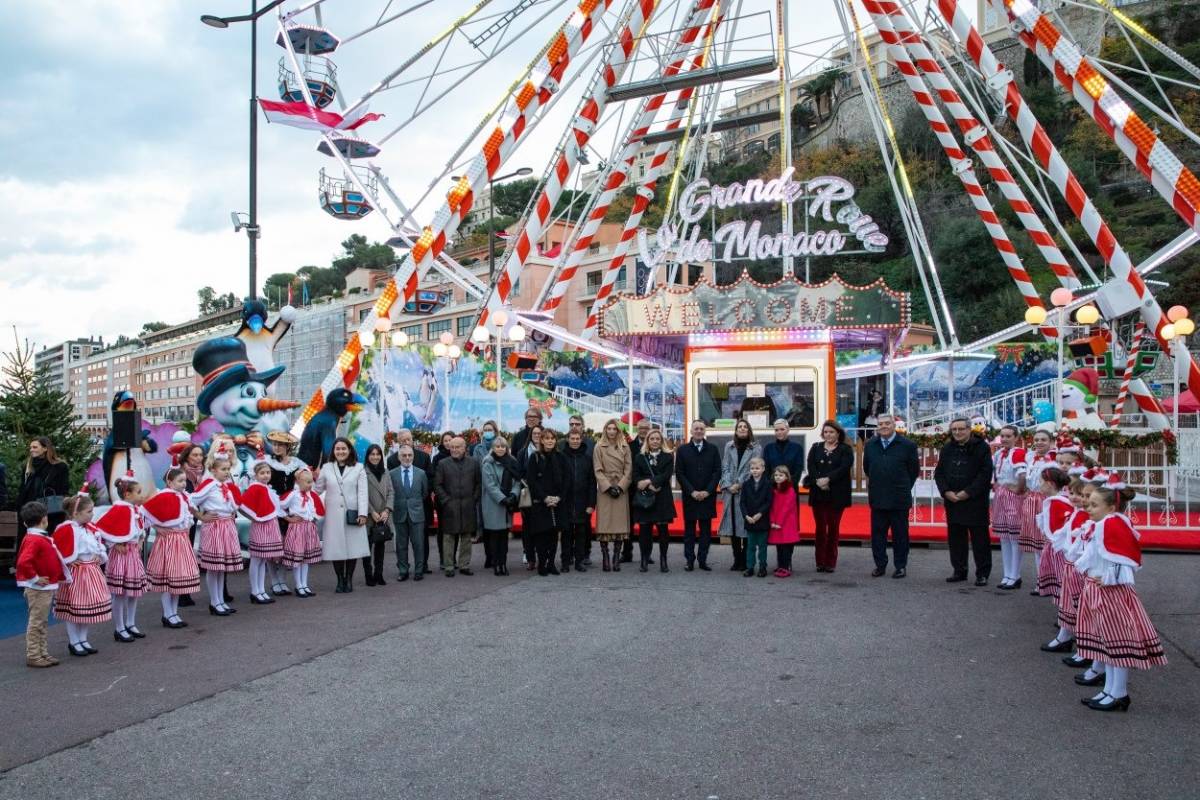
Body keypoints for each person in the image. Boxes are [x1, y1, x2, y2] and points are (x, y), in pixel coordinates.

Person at [1073, 478, 1167, 711]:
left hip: (1112, 594)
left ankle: (1119, 693)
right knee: (1108, 644)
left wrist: (1107, 579)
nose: (1088, 508)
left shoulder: (1113, 525)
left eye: (1094, 505)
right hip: (1101, 591)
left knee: (1117, 643)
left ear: (1111, 508)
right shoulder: (1102, 525)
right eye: (1089, 503)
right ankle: (1110, 690)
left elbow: (1124, 560)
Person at [933, 418, 993, 586]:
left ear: (969, 430)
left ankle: (982, 573)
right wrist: (946, 491)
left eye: (961, 429)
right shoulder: (947, 448)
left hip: (975, 501)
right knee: (956, 539)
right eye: (954, 430)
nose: (958, 432)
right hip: (953, 500)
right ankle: (959, 570)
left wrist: (968, 492)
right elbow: (939, 473)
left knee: (980, 540)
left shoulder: (982, 447)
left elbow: (985, 473)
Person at [1043, 476, 1097, 662]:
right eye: (1073, 493)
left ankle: (1085, 649)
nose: (1076, 498)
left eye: (1082, 495)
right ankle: (1065, 637)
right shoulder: (1077, 512)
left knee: (1082, 609)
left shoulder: (1088, 517)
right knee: (1069, 604)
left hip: (1080, 567)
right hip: (1070, 564)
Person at [52, 490, 111, 657]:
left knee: (87, 609)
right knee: (74, 609)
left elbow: (98, 547)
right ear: (76, 513)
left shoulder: (90, 529)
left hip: (91, 571)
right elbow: (59, 551)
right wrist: (69, 561)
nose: (92, 514)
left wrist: (98, 556)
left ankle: (83, 639)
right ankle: (74, 641)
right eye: (89, 511)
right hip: (76, 575)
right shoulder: (65, 529)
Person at [862, 413, 919, 579]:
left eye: (887, 423)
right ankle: (880, 565)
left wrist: (903, 486)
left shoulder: (907, 445)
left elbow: (913, 471)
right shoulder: (871, 445)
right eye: (880, 424)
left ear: (894, 425)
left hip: (899, 498)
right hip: (878, 497)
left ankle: (900, 566)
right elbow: (867, 468)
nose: (884, 426)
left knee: (900, 535)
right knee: (877, 535)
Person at [141, 469, 201, 628]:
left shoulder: (184, 497)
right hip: (168, 542)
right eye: (180, 481)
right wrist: (156, 526)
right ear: (169, 482)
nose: (183, 484)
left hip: (181, 541)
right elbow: (144, 511)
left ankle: (174, 613)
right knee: (168, 580)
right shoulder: (164, 496)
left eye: (184, 481)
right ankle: (168, 614)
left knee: (177, 581)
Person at [96, 475, 148, 642]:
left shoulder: (135, 510)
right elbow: (102, 528)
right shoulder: (119, 510)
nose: (142, 495)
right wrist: (113, 542)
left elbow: (140, 529)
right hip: (121, 556)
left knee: (133, 592)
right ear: (127, 494)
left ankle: (131, 623)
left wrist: (140, 539)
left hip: (133, 555)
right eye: (138, 492)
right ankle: (119, 628)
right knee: (120, 593)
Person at [191, 447, 243, 616]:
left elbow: (231, 504)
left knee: (222, 567)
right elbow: (191, 500)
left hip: (226, 526)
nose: (227, 472)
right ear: (213, 470)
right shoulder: (210, 485)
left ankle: (220, 600)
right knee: (214, 567)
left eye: (228, 469)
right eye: (223, 469)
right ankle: (214, 602)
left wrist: (231, 510)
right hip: (214, 527)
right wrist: (200, 515)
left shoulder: (225, 486)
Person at [315, 437, 369, 593]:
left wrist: (363, 513)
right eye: (337, 449)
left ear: (350, 450)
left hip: (352, 514)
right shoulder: (326, 467)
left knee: (353, 548)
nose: (340, 451)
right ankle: (340, 580)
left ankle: (349, 580)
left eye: (343, 448)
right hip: (333, 515)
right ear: (333, 451)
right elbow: (317, 490)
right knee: (336, 549)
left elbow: (363, 492)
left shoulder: (359, 468)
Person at [15, 501, 64, 668]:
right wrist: (35, 578)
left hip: (43, 588)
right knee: (37, 622)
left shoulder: (35, 537)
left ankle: (42, 652)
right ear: (44, 519)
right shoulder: (35, 539)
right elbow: (23, 562)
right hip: (39, 588)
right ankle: (34, 654)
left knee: (41, 621)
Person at [804, 420, 854, 573]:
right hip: (818, 493)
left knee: (833, 528)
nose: (828, 435)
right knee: (820, 529)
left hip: (836, 495)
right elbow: (811, 465)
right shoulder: (816, 447)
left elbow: (844, 467)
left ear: (838, 433)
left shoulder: (845, 449)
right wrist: (819, 481)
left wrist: (828, 479)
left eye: (831, 432)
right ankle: (820, 562)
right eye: (826, 432)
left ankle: (830, 562)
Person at [675, 420, 721, 571]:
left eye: (701, 429)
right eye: (696, 429)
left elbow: (717, 472)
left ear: (705, 431)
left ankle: (703, 560)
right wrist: (692, 491)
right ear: (691, 431)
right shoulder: (682, 450)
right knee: (689, 531)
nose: (699, 431)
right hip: (690, 497)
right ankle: (689, 560)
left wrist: (708, 491)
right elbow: (680, 473)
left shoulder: (713, 449)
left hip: (708, 496)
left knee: (706, 531)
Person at [387, 429, 435, 575]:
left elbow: (426, 489)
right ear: (398, 443)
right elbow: (391, 488)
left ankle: (421, 568)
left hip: (419, 509)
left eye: (408, 439)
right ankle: (403, 570)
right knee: (401, 544)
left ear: (413, 440)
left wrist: (417, 501)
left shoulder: (424, 459)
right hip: (400, 510)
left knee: (419, 542)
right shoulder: (392, 463)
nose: (406, 443)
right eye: (403, 441)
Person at [239, 461, 286, 604]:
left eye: (268, 473)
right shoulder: (255, 488)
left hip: (269, 525)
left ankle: (261, 590)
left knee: (263, 560)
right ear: (256, 475)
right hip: (261, 526)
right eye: (262, 473)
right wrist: (255, 517)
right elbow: (242, 505)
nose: (266, 476)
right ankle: (255, 591)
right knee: (257, 559)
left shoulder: (266, 488)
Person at [718, 419, 762, 572]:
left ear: (749, 430)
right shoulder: (729, 446)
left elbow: (754, 469)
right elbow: (725, 466)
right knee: (733, 528)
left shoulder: (756, 447)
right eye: (739, 427)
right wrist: (729, 485)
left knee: (745, 527)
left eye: (745, 427)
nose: (742, 429)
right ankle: (736, 559)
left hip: (747, 491)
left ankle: (745, 559)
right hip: (730, 492)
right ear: (736, 430)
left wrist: (739, 484)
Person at [434, 436, 481, 577]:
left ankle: (464, 565)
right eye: (452, 447)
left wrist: (473, 499)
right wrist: (446, 501)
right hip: (450, 506)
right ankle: (449, 566)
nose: (454, 450)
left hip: (468, 505)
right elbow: (437, 485)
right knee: (448, 537)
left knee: (466, 537)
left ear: (464, 448)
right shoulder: (443, 464)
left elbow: (479, 484)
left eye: (457, 447)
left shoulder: (473, 463)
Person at [263, 431, 303, 596]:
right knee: (274, 547)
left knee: (287, 547)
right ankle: (274, 582)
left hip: (290, 509)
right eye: (275, 444)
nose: (277, 447)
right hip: (273, 508)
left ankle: (282, 580)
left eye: (280, 444)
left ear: (288, 447)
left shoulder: (297, 464)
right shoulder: (267, 462)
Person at [1018, 429, 1057, 593]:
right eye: (1037, 439)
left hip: (1047, 501)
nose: (1039, 442)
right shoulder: (1029, 456)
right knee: (1037, 544)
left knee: (1049, 542)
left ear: (1051, 442)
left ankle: (1053, 580)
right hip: (1032, 500)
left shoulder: (1056, 458)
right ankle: (1040, 580)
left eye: (1043, 439)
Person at [632, 429, 675, 573]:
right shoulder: (639, 457)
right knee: (645, 531)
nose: (655, 441)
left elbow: (666, 475)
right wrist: (646, 484)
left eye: (657, 439)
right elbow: (635, 476)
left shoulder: (668, 457)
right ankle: (644, 559)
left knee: (663, 531)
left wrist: (650, 481)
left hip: (662, 497)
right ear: (647, 441)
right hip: (645, 498)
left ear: (661, 441)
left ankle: (663, 560)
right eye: (652, 439)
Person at [16, 437, 70, 551]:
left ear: (45, 448)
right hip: (29, 512)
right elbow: (23, 489)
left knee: (47, 546)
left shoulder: (59, 467)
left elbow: (64, 490)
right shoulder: (28, 466)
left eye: (35, 447)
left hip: (49, 512)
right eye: (30, 447)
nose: (31, 450)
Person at [593, 419, 632, 572]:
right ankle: (605, 557)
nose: (611, 431)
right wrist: (608, 487)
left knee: (619, 525)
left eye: (614, 429)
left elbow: (629, 470)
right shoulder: (599, 446)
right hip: (605, 490)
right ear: (605, 430)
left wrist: (621, 487)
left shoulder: (625, 447)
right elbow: (597, 469)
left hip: (621, 489)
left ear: (618, 431)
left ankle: (616, 558)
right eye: (608, 428)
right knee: (604, 524)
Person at [525, 429, 566, 576]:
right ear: (541, 440)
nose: (550, 441)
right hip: (540, 503)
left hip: (557, 503)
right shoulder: (534, 457)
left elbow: (566, 480)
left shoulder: (561, 457)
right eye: (546, 438)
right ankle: (542, 564)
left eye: (552, 438)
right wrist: (545, 498)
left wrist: (558, 498)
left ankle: (551, 563)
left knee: (554, 535)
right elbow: (532, 481)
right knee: (542, 535)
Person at [991, 425, 1027, 590]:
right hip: (1001, 495)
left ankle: (1015, 574)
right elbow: (996, 475)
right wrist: (997, 485)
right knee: (1004, 537)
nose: (1005, 439)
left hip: (1013, 497)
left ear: (1016, 437)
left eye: (1008, 436)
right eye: (1003, 436)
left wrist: (1019, 489)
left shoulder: (1018, 452)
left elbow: (1022, 474)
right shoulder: (999, 454)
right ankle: (1007, 574)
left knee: (1014, 536)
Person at [480, 437, 522, 576]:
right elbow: (490, 486)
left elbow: (517, 481)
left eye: (503, 446)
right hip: (494, 505)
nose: (500, 449)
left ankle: (503, 564)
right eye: (497, 446)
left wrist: (514, 495)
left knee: (504, 537)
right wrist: (503, 499)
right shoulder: (487, 463)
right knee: (494, 536)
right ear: (493, 448)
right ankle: (496, 564)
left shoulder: (512, 462)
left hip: (508, 505)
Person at [280, 466, 323, 597]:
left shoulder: (310, 496)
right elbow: (278, 506)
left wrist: (313, 518)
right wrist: (288, 518)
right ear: (298, 481)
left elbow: (315, 509)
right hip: (297, 528)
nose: (310, 485)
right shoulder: (293, 495)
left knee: (306, 559)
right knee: (298, 558)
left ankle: (304, 584)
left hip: (308, 528)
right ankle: (298, 585)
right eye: (307, 482)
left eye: (311, 482)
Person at [559, 429, 596, 572]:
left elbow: (592, 483)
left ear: (581, 440)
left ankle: (579, 561)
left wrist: (591, 504)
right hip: (565, 503)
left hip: (583, 503)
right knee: (566, 535)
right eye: (572, 438)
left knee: (581, 535)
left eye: (577, 438)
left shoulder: (587, 459)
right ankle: (565, 561)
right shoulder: (561, 457)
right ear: (567, 439)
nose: (575, 441)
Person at [176, 443, 208, 606]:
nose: (198, 458)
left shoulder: (201, 474)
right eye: (194, 455)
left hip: (192, 518)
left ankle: (186, 591)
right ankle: (180, 593)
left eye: (200, 455)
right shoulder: (179, 472)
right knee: (181, 555)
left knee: (188, 554)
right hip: (179, 521)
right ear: (187, 456)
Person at [1034, 467, 1072, 600]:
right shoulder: (1060, 499)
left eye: (1041, 481)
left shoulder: (1056, 502)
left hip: (1058, 548)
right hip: (1057, 546)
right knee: (1060, 578)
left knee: (1061, 577)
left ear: (1049, 484)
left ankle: (1066, 610)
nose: (1039, 484)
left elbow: (1056, 529)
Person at [362, 444, 394, 587]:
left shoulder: (386, 472)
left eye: (378, 454)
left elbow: (391, 492)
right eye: (372, 454)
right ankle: (368, 575)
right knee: (367, 548)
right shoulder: (362, 472)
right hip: (369, 516)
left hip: (383, 516)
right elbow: (361, 495)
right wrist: (371, 511)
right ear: (367, 456)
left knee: (380, 547)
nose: (375, 457)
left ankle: (379, 574)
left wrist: (387, 510)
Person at [622, 418, 650, 564]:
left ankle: (647, 554)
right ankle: (627, 553)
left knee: (647, 525)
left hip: (650, 491)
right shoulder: (629, 446)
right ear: (637, 429)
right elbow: (626, 468)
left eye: (646, 428)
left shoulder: (654, 444)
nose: (643, 431)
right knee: (629, 525)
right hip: (632, 491)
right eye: (641, 428)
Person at [515, 424, 543, 569]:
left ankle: (542, 556)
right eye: (535, 434)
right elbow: (518, 473)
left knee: (542, 528)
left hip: (543, 496)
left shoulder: (548, 452)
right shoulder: (523, 452)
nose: (537, 436)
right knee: (528, 529)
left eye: (540, 433)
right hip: (528, 495)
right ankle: (530, 556)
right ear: (531, 436)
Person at [739, 458, 771, 578]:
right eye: (752, 468)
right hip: (750, 520)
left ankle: (762, 567)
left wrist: (760, 513)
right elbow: (742, 502)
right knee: (750, 546)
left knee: (762, 547)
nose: (755, 471)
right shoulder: (746, 484)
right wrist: (746, 515)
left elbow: (769, 501)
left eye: (757, 468)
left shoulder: (768, 484)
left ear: (763, 469)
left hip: (762, 520)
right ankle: (750, 567)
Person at [768, 466, 800, 577]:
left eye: (781, 475)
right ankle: (780, 565)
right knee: (779, 546)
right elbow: (770, 507)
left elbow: (786, 508)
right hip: (775, 522)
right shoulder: (773, 489)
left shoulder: (790, 490)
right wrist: (772, 521)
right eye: (776, 475)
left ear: (787, 477)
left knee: (786, 546)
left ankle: (786, 567)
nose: (778, 477)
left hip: (786, 523)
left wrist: (779, 523)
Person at [763, 419, 805, 494]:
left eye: (782, 429)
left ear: (788, 430)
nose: (779, 432)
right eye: (776, 430)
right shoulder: (768, 448)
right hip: (773, 490)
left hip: (791, 490)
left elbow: (798, 470)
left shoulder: (797, 448)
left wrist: (785, 485)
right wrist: (774, 484)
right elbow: (766, 470)